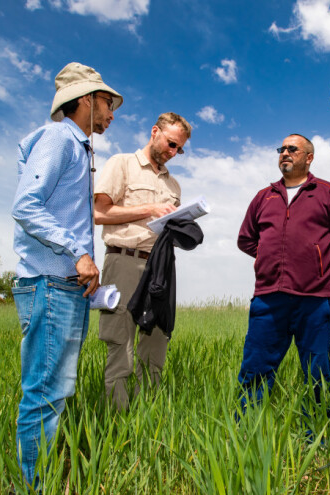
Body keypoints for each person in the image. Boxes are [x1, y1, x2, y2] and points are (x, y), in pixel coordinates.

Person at [10, 62, 122, 487]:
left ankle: (37, 478)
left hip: (64, 286)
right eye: (108, 103)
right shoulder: (59, 138)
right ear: (86, 100)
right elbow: (25, 205)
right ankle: (32, 485)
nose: (111, 114)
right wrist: (78, 253)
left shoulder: (80, 148)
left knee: (55, 391)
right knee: (44, 394)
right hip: (50, 284)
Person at [236, 133, 330, 425]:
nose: (285, 153)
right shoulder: (264, 196)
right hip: (268, 300)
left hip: (314, 300)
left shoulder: (328, 193)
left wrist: (321, 261)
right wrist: (269, 257)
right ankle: (246, 432)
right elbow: (245, 240)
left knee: (317, 373)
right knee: (255, 370)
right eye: (282, 149)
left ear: (309, 157)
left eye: (292, 149)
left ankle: (316, 438)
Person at [93, 112, 192, 411]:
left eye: (179, 149)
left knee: (157, 339)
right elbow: (99, 213)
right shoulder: (122, 163)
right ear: (155, 132)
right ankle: (117, 417)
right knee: (120, 342)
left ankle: (146, 417)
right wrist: (150, 209)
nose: (173, 152)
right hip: (125, 260)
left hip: (161, 266)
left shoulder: (174, 186)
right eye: (171, 144)